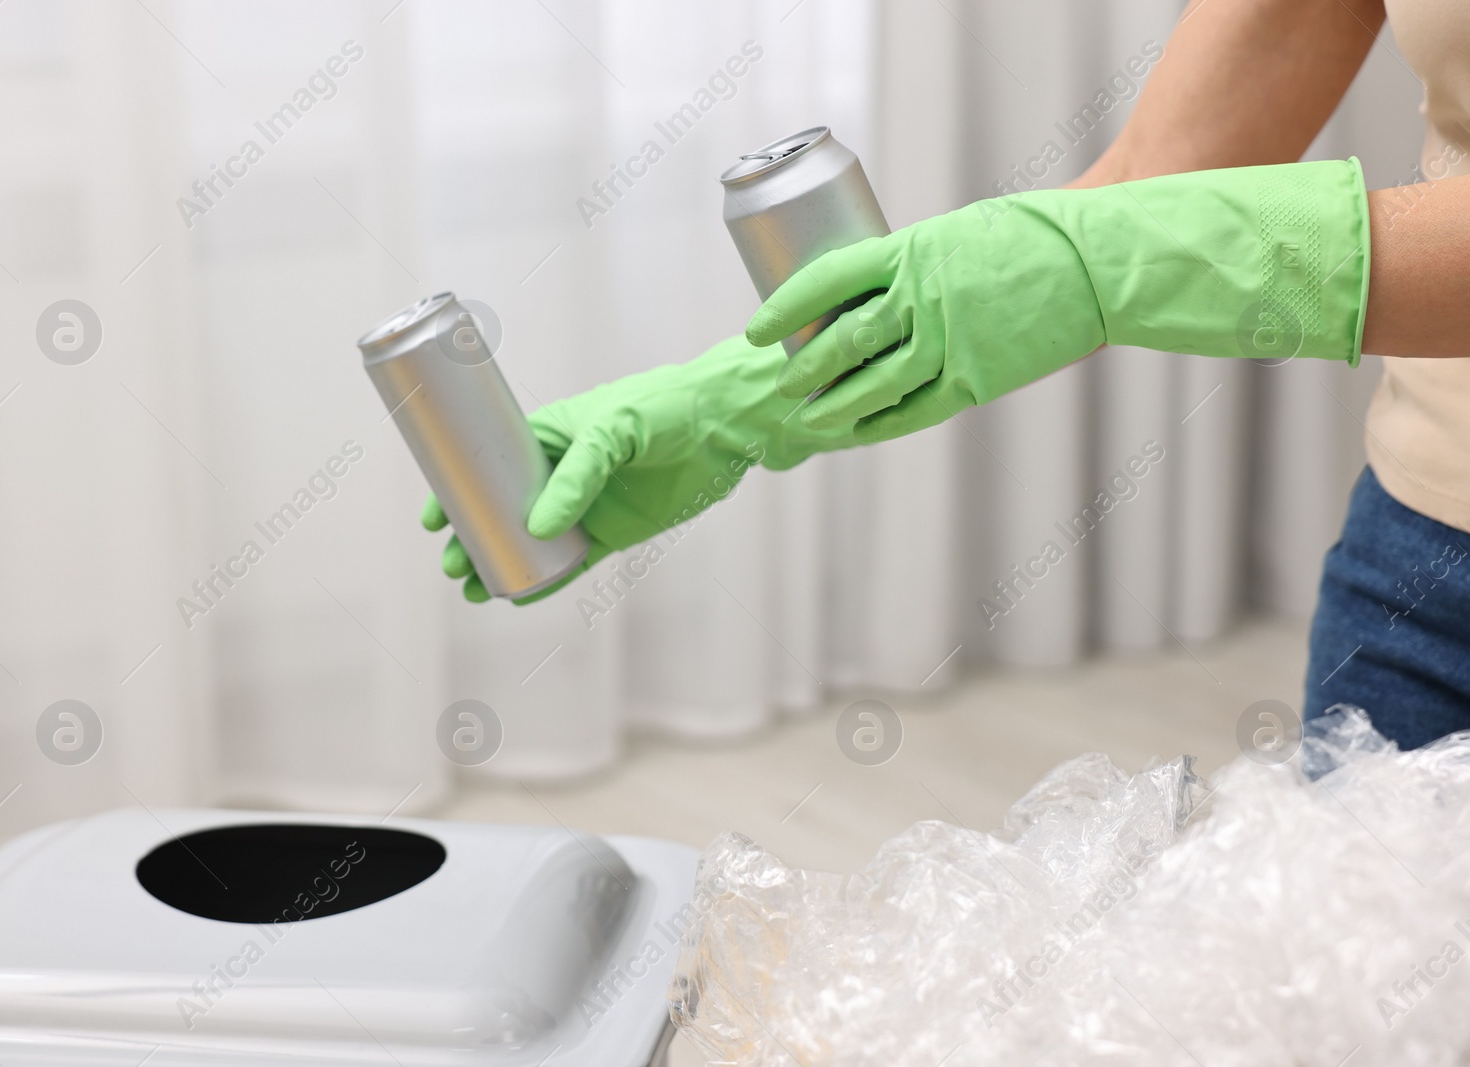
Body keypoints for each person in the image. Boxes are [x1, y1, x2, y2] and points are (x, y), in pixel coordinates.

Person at [423, 0, 1470, 750]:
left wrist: (1091, 266)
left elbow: (1102, 250)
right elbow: (1152, 184)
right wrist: (727, 406)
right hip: (1413, 558)